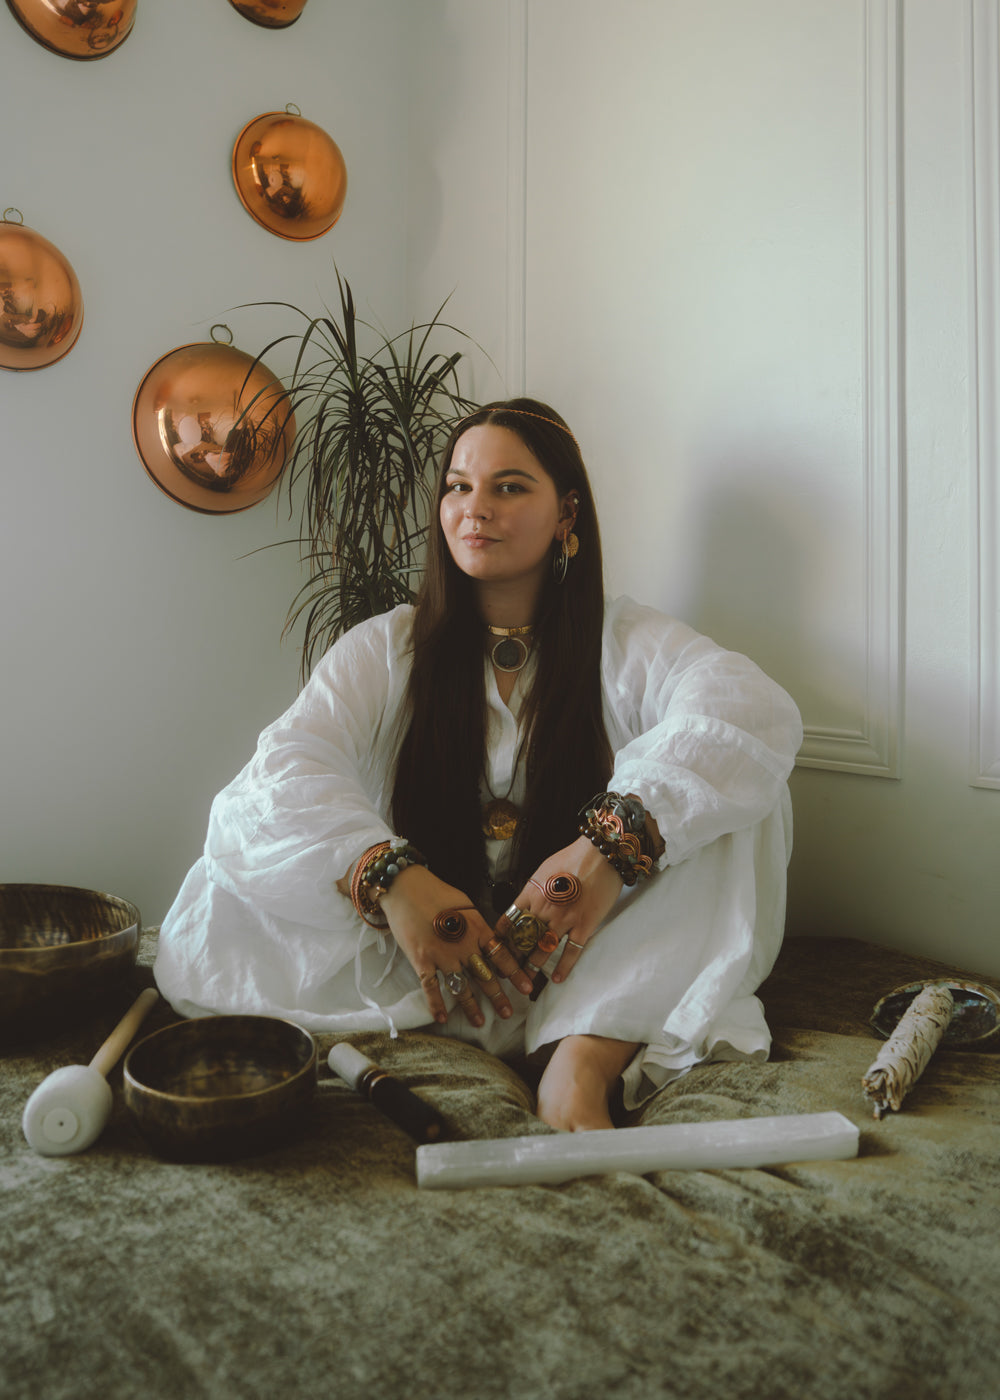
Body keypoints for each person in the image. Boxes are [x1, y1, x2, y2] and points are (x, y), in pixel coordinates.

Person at [154, 398, 803, 1132]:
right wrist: (391, 878)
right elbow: (283, 772)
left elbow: (751, 711)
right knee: (237, 850)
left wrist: (604, 851)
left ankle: (581, 1063)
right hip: (431, 966)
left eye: (509, 486)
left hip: (584, 966)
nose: (475, 508)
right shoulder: (387, 645)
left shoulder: (625, 640)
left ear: (567, 513)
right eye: (458, 486)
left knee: (740, 795)